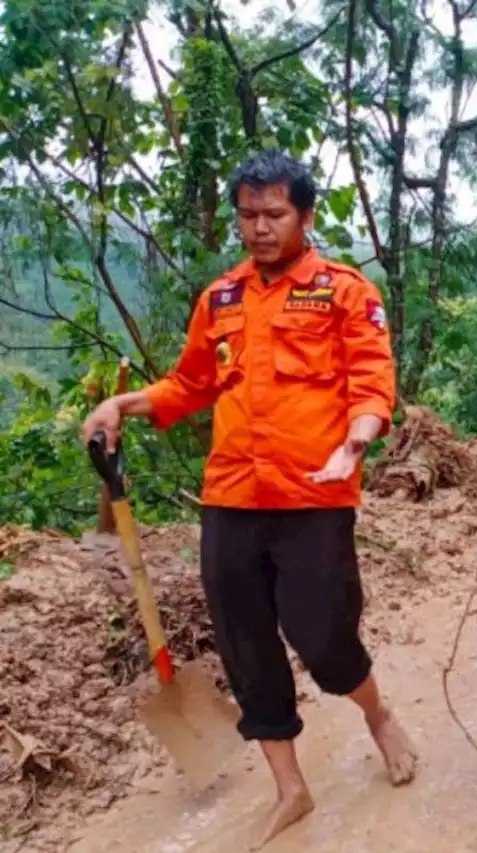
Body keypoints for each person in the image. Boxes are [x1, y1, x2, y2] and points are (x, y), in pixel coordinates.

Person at [79, 150, 416, 849]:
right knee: (245, 643)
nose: (259, 228)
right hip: (231, 497)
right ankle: (290, 786)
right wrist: (123, 402)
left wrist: (353, 444)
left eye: (274, 214)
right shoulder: (222, 299)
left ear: (305, 215)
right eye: (248, 215)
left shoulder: (345, 291)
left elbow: (373, 384)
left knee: (323, 635)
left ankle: (377, 713)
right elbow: (189, 384)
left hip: (314, 498)